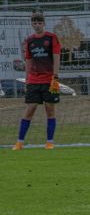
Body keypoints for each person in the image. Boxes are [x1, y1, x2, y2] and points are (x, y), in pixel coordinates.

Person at [12, 10, 61, 151]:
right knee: (30, 109)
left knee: (50, 110)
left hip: (49, 80)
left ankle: (49, 142)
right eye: (35, 22)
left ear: (44, 23)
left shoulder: (52, 38)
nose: (37, 25)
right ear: (31, 24)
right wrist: (27, 80)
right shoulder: (29, 40)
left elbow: (57, 57)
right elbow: (28, 60)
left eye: (40, 22)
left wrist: (55, 77)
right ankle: (19, 143)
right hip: (33, 81)